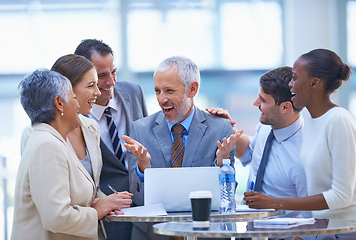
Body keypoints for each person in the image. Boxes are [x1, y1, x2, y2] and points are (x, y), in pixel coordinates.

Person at [244, 49, 356, 239]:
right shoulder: (312, 121)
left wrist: (275, 202)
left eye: (295, 78)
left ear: (314, 83)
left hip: (340, 232)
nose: (290, 84)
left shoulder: (338, 120)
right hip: (320, 230)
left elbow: (342, 196)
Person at [123, 56, 237, 240]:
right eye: (157, 91)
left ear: (192, 89)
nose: (162, 99)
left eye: (169, 91)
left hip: (205, 233)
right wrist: (144, 167)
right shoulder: (140, 129)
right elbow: (138, 199)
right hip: (152, 235)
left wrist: (221, 162)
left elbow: (226, 198)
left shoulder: (220, 128)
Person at [11, 69, 131, 240]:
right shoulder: (47, 145)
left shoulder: (51, 140)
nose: (77, 105)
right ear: (59, 103)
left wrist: (101, 202)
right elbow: (56, 217)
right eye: (73, 98)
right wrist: (96, 211)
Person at [74, 39, 148, 240]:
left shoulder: (134, 92)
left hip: (145, 204)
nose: (111, 82)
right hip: (108, 212)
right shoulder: (76, 115)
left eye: (114, 72)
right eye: (101, 76)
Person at [210, 67, 308, 201]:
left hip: (279, 221)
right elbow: (251, 153)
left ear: (286, 107)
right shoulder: (267, 127)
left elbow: (310, 213)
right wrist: (226, 128)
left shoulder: (305, 154)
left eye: (263, 100)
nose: (255, 103)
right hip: (251, 220)